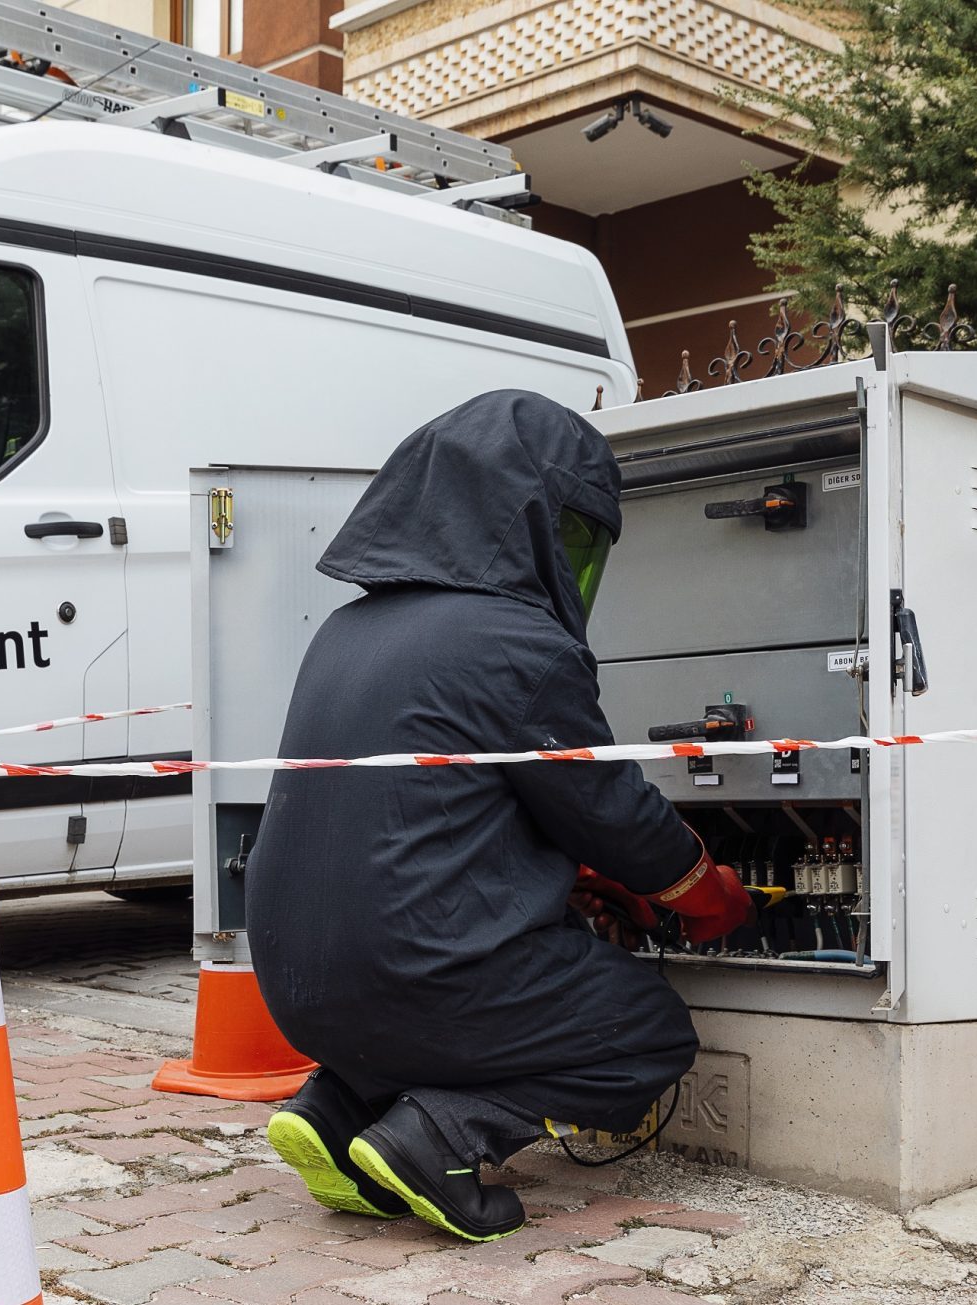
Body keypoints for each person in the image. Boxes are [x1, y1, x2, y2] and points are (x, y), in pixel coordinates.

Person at [247, 390, 755, 1243]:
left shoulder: (341, 632)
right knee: (648, 1030)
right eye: (576, 537)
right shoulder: (515, 640)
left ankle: (333, 1110)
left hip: (297, 991)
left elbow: (427, 820)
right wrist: (707, 891)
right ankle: (444, 1133)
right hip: (417, 974)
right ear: (529, 524)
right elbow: (615, 814)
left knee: (422, 1000)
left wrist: (574, 879)